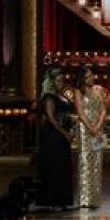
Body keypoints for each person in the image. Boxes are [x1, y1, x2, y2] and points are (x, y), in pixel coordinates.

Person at [37, 68, 74, 210]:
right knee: (55, 167)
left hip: (61, 136)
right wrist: (65, 133)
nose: (61, 83)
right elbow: (51, 118)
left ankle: (62, 200)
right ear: (52, 82)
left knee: (62, 167)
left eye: (63, 80)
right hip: (53, 136)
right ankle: (53, 200)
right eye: (58, 81)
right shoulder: (49, 97)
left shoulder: (62, 95)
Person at [73, 65, 107, 209]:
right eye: (87, 77)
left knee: (97, 162)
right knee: (85, 161)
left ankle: (95, 198)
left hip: (99, 130)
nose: (91, 78)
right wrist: (90, 128)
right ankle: (85, 198)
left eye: (91, 75)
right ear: (82, 79)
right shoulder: (78, 91)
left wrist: (98, 127)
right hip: (84, 130)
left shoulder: (99, 89)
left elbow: (103, 110)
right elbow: (80, 112)